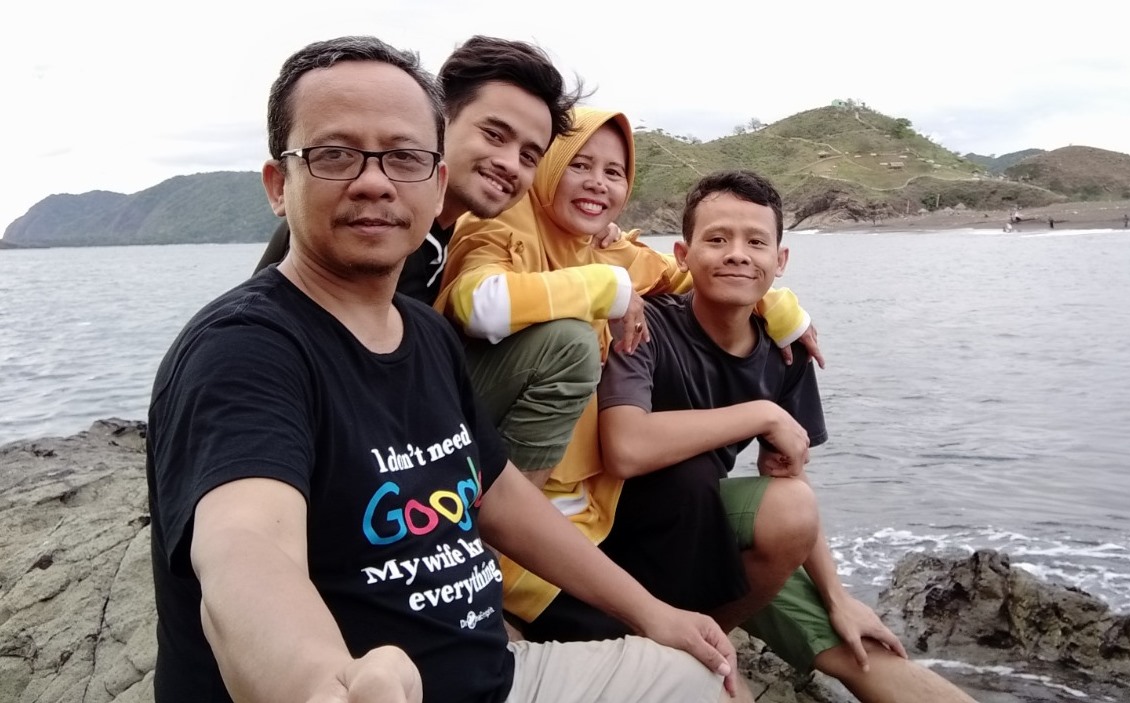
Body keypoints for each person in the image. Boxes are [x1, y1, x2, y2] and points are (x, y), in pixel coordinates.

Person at [147, 35, 751, 703]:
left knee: (703, 681)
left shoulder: (427, 329)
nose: (374, 180)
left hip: (491, 673)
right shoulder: (243, 348)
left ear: (433, 183)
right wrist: (320, 681)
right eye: (335, 154)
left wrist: (653, 614)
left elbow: (497, 490)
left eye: (403, 157)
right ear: (276, 185)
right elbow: (244, 545)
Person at [524, 170, 977, 703]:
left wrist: (837, 595)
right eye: (716, 239)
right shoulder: (642, 325)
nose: (737, 254)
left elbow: (790, 484)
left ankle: (704, 641)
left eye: (756, 242)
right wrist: (760, 413)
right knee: (693, 480)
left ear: (780, 261)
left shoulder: (785, 351)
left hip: (696, 535)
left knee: (858, 641)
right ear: (682, 255)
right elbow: (625, 449)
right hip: (606, 534)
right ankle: (685, 659)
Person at [436, 108, 819, 622]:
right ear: (549, 167)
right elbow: (478, 304)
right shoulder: (504, 223)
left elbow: (694, 274)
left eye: (613, 173)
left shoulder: (605, 248)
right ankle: (491, 541)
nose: (597, 183)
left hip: (580, 502)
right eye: (579, 165)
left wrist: (781, 310)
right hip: (480, 468)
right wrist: (609, 290)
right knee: (570, 340)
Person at [251, 34, 620, 303]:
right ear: (437, 123)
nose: (509, 164)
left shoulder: (447, 228)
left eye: (528, 156)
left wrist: (595, 233)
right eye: (493, 135)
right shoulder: (379, 222)